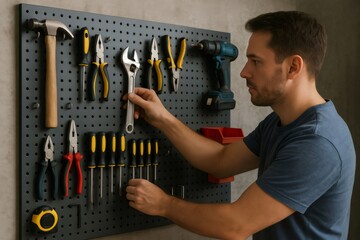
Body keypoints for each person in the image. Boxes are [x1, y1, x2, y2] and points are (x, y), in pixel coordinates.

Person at [125, 11, 356, 240]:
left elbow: (236, 225)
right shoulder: (280, 122)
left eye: (256, 61)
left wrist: (164, 204)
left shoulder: (317, 142)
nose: (245, 72)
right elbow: (221, 160)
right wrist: (164, 119)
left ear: (293, 67)